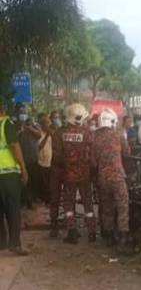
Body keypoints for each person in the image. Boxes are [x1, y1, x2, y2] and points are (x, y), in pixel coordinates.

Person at [53, 103, 95, 244]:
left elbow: (57, 157)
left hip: (68, 176)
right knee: (88, 204)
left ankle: (71, 231)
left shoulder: (59, 133)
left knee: (69, 204)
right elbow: (93, 154)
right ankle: (92, 232)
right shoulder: (87, 133)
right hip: (85, 175)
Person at [92, 109, 132, 252]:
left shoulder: (94, 137)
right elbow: (127, 152)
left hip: (102, 178)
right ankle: (123, 237)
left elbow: (93, 162)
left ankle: (109, 236)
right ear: (113, 121)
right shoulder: (118, 134)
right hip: (117, 177)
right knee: (122, 206)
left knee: (107, 207)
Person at [0, 99, 29, 255]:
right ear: (3, 109)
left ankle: (1, 243)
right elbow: (14, 146)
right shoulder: (6, 124)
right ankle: (15, 244)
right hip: (9, 175)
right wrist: (23, 168)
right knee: (13, 210)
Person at [17, 113, 42, 207]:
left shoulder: (35, 132)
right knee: (25, 183)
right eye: (27, 124)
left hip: (34, 161)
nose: (28, 125)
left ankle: (31, 200)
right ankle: (27, 202)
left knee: (33, 182)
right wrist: (22, 129)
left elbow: (39, 134)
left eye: (30, 124)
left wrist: (30, 128)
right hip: (24, 162)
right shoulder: (21, 133)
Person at [37, 114, 53, 204]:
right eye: (45, 123)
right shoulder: (39, 134)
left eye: (48, 123)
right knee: (44, 183)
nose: (47, 125)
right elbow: (40, 147)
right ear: (41, 124)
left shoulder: (52, 133)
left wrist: (51, 134)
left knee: (50, 183)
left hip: (51, 161)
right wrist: (47, 136)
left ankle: (49, 200)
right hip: (42, 162)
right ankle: (45, 199)